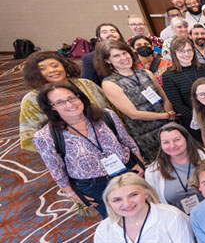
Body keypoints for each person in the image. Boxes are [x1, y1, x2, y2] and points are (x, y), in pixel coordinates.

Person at [33, 83, 143, 218]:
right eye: (60, 102)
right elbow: (57, 170)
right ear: (51, 107)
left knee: (147, 209)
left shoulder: (106, 115)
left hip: (127, 171)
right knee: (120, 222)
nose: (69, 105)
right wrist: (73, 194)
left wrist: (139, 162)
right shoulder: (44, 137)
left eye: (72, 98)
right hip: (96, 186)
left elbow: (126, 140)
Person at [97, 40, 176, 161]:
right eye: (116, 56)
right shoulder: (109, 83)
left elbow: (164, 97)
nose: (123, 58)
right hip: (146, 134)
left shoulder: (146, 72)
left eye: (124, 53)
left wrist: (169, 115)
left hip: (168, 125)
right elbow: (133, 114)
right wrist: (165, 115)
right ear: (107, 60)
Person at [19, 52, 113, 152]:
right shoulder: (32, 99)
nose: (51, 70)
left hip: (108, 139)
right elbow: (30, 138)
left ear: (64, 66)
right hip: (74, 151)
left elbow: (111, 111)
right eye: (42, 68)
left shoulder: (86, 84)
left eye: (55, 65)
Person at [145, 123, 205, 214]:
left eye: (177, 140)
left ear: (186, 138)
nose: (172, 145)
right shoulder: (152, 172)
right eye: (166, 142)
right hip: (183, 222)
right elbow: (155, 203)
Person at [161, 36, 205, 140]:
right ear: (174, 53)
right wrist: (202, 118)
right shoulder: (168, 76)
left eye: (189, 50)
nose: (186, 54)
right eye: (181, 51)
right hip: (194, 122)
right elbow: (178, 104)